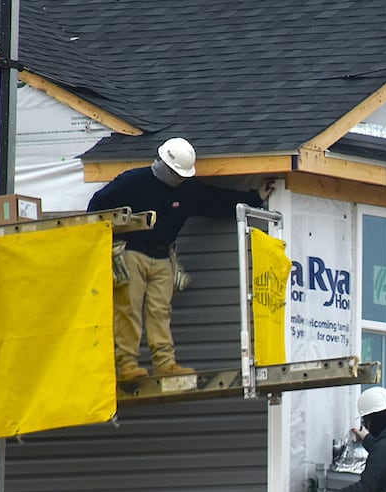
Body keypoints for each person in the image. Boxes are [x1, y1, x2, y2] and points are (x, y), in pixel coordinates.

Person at [88, 137, 267, 380]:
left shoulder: (187, 190)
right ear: (162, 163)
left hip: (163, 256)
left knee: (160, 312)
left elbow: (217, 201)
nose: (178, 178)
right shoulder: (132, 182)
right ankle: (127, 366)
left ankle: (165, 365)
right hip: (131, 252)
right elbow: (97, 207)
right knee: (128, 310)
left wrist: (255, 196)